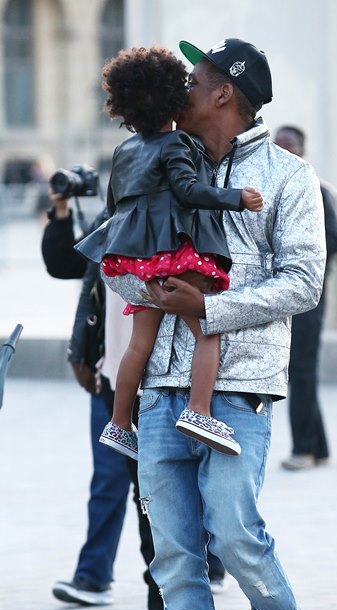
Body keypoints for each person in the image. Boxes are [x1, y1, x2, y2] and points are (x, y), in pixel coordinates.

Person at [103, 37, 326, 610]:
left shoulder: (288, 176)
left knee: (233, 532)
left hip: (240, 387)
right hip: (161, 388)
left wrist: (211, 306)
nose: (181, 90)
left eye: (193, 80)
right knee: (173, 558)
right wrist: (149, 285)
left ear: (224, 92)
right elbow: (119, 256)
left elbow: (304, 282)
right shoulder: (154, 156)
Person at [76, 46, 263, 461]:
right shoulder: (177, 142)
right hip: (174, 253)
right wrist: (236, 198)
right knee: (207, 329)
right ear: (172, 100)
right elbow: (187, 190)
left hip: (133, 260)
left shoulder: (124, 150)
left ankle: (119, 423)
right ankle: (199, 411)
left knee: (138, 345)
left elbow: (114, 208)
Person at [42, 190, 164, 610]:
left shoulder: (176, 215)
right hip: (110, 376)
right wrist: (60, 212)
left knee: (157, 493)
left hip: (162, 381)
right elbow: (68, 267)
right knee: (117, 481)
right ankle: (95, 576)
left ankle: (172, 595)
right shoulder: (111, 219)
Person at [274, 125, 337, 471]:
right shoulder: (268, 190)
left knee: (302, 371)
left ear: (303, 150)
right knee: (298, 371)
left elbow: (335, 241)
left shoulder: (320, 190)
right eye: (278, 145)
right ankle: (319, 447)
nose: (284, 151)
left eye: (290, 145)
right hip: (277, 297)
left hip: (307, 298)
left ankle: (303, 449)